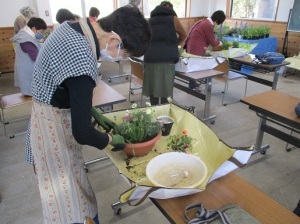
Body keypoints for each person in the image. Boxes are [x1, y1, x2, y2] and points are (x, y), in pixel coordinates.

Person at [25, 4, 151, 224]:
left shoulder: (71, 27)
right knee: (71, 203)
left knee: (75, 192)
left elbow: (63, 84)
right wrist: (112, 141)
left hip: (45, 115)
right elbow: (82, 132)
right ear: (114, 40)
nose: (121, 59)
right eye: (125, 53)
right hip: (51, 130)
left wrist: (93, 111)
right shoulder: (82, 58)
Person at [142, 1, 186, 105]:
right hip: (167, 59)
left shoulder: (149, 20)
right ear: (170, 9)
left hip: (150, 58)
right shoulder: (173, 19)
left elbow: (144, 39)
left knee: (153, 89)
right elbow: (184, 35)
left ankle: (153, 112)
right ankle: (164, 116)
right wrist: (173, 45)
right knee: (166, 91)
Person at [184, 10, 226, 90]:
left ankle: (193, 84)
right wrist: (220, 42)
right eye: (218, 23)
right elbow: (212, 41)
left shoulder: (204, 21)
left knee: (194, 66)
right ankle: (192, 87)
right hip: (196, 47)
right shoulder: (208, 25)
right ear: (217, 21)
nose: (217, 25)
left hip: (192, 46)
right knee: (195, 67)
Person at [11, 17, 47, 96]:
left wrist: (40, 40)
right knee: (33, 92)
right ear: (34, 29)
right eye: (41, 31)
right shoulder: (26, 40)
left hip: (27, 68)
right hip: (27, 71)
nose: (42, 34)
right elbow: (36, 57)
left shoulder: (26, 35)